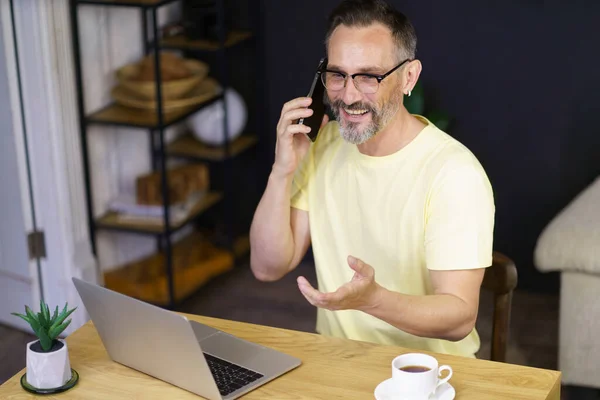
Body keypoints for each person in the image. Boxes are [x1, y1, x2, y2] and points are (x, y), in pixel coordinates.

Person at [249, 0, 495, 359]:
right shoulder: (322, 147)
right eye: (337, 74)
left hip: (428, 376)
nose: (348, 95)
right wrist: (282, 170)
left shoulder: (454, 173)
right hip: (339, 368)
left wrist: (372, 300)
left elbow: (459, 317)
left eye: (368, 76)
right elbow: (267, 266)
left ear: (408, 77)